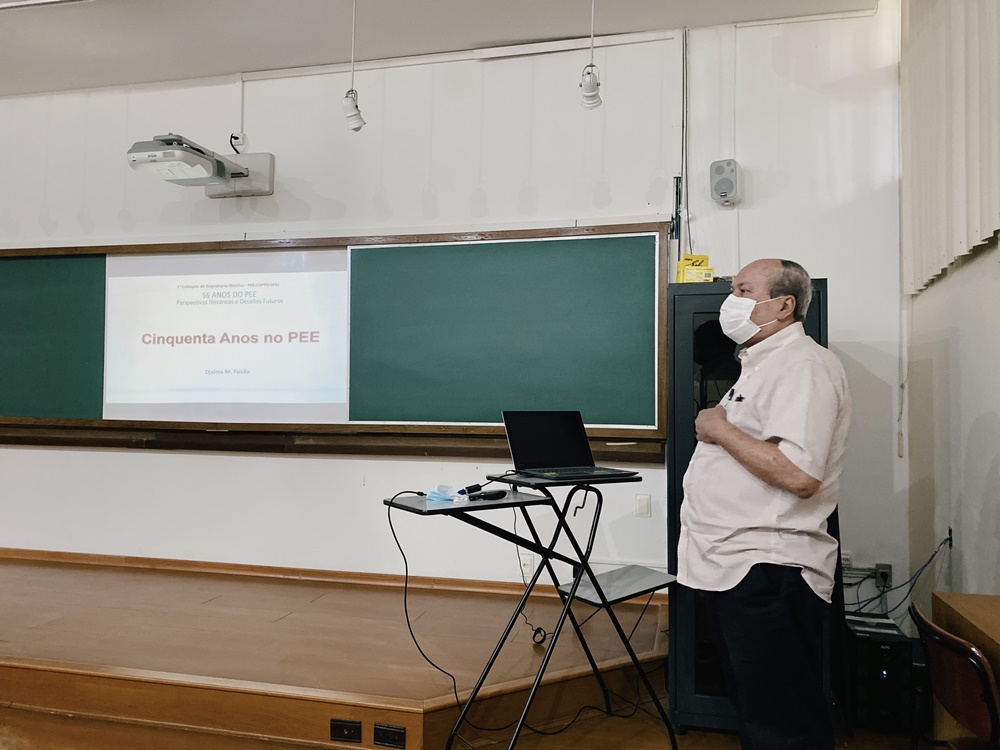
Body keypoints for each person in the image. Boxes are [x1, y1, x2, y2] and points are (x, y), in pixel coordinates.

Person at [676, 258, 851, 750]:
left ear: (783, 304)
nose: (729, 300)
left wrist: (720, 430)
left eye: (743, 289)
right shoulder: (761, 365)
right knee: (760, 711)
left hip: (770, 568)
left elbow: (800, 475)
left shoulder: (804, 366)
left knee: (782, 723)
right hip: (740, 566)